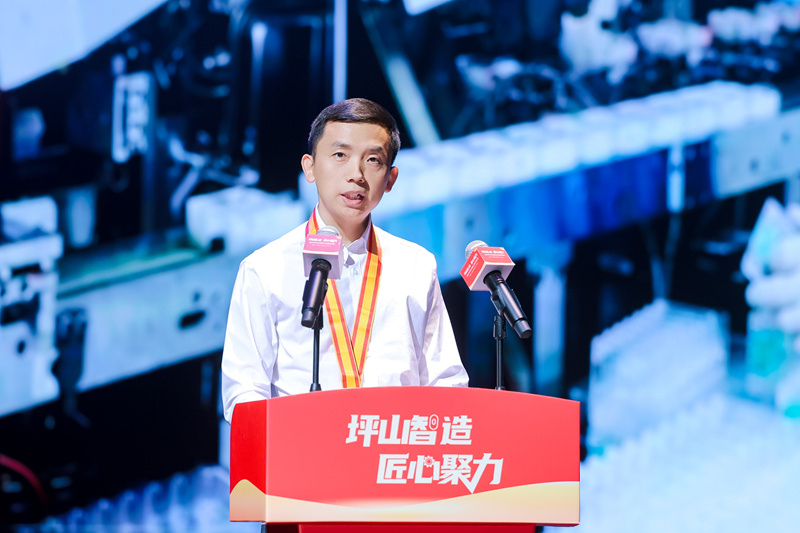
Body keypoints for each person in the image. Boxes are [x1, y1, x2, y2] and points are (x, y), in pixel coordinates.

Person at [220, 98, 468, 422]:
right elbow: (243, 393)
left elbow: (445, 381)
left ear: (390, 179)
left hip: (394, 448)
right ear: (310, 167)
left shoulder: (416, 266)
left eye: (373, 160)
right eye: (340, 155)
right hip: (305, 448)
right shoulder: (265, 269)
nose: (356, 175)